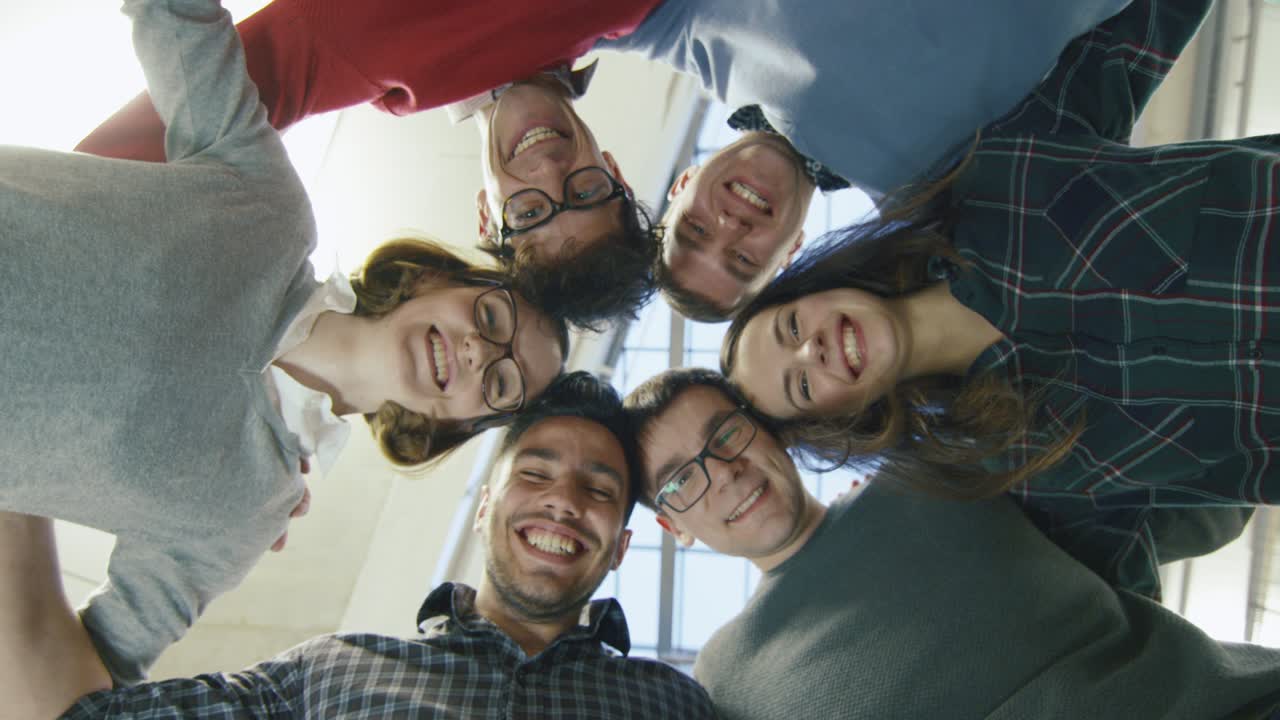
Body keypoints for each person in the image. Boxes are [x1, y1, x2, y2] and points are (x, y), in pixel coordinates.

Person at [0, 0, 567, 687]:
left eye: (502, 384)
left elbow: (87, 686)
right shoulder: (270, 206)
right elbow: (177, 21)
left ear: (447, 427)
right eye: (495, 319)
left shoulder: (246, 513)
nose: (481, 352)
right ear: (434, 279)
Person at [74, 0, 1135, 324]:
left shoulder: (675, 29)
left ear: (660, 182)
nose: (731, 220)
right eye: (743, 254)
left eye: (546, 206)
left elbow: (262, 78)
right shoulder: (933, 181)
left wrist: (52, 236)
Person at [719, 0, 1280, 598]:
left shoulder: (987, 178)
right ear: (842, 417)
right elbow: (1125, 634)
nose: (814, 351)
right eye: (801, 386)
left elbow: (1132, 35)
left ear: (812, 288)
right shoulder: (1017, 468)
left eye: (790, 329)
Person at [0, 373, 719, 719]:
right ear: (484, 509)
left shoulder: (676, 705)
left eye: (598, 490)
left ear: (620, 547)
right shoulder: (328, 673)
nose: (564, 500)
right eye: (535, 474)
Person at [624, 368, 1280, 720]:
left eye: (728, 435)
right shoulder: (725, 673)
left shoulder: (929, 467)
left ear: (770, 432)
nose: (725, 473)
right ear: (672, 528)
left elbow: (1146, 502)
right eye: (682, 479)